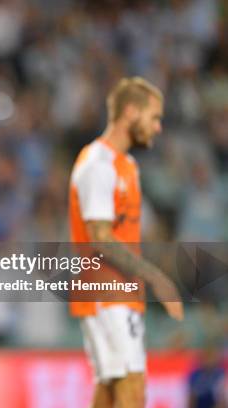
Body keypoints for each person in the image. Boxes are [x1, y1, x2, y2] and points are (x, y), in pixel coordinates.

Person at [68, 77, 184, 407]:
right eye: (154, 117)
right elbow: (100, 238)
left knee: (111, 387)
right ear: (131, 112)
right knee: (132, 386)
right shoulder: (98, 164)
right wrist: (158, 279)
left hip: (123, 292)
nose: (158, 127)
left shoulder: (127, 166)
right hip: (104, 290)